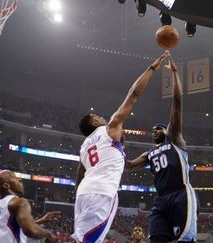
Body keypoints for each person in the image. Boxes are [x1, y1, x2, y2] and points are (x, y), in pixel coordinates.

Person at [72, 51, 168, 243]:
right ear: (93, 121)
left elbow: (80, 173)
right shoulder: (109, 128)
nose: (102, 117)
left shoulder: (84, 146)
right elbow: (133, 94)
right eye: (98, 117)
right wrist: (151, 68)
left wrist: (78, 194)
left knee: (83, 239)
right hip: (102, 192)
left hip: (84, 194)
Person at [126, 55, 197, 243]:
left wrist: (174, 73)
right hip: (161, 199)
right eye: (153, 130)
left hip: (180, 194)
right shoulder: (149, 153)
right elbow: (128, 166)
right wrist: (118, 146)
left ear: (166, 131)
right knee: (156, 238)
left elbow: (177, 101)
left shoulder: (174, 139)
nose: (155, 131)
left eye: (159, 128)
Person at [0, 170, 60, 243]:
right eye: (15, 178)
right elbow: (30, 230)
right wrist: (48, 234)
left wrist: (40, 221)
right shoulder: (20, 202)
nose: (20, 180)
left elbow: (15, 225)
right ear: (6, 185)